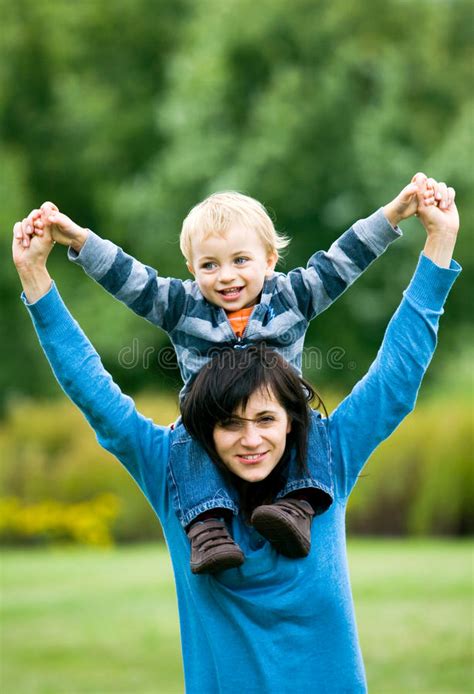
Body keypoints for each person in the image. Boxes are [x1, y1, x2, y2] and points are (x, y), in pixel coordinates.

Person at [13, 178, 460, 691]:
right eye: (229, 423)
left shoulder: (326, 455)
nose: (251, 439)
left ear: (291, 420)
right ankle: (211, 522)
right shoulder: (171, 470)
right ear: (206, 425)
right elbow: (92, 387)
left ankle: (289, 499)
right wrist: (36, 273)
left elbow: (395, 377)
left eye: (266, 420)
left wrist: (437, 244)